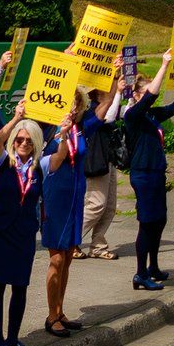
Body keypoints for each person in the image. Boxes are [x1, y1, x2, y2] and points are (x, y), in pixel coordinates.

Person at [0, 117, 44, 346]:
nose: (23, 143)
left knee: (20, 287)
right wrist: (17, 118)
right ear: (13, 141)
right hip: (0, 233)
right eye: (19, 139)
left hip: (24, 233)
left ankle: (13, 338)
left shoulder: (36, 168)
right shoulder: (4, 161)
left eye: (28, 140)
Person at [116, 69, 174, 290]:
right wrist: (164, 65)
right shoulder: (132, 115)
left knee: (159, 220)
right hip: (143, 174)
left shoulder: (152, 115)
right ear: (136, 95)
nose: (148, 96)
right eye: (144, 92)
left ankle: (153, 266)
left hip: (156, 173)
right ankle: (140, 273)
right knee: (146, 223)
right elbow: (151, 96)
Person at [38, 110, 90, 339]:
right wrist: (62, 133)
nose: (72, 108)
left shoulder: (80, 128)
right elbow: (56, 161)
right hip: (54, 198)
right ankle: (51, 316)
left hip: (74, 198)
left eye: (76, 104)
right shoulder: (46, 127)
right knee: (56, 258)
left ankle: (60, 311)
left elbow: (105, 109)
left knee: (67, 256)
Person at [77, 83, 120, 258]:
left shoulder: (106, 104)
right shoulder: (91, 110)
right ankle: (71, 241)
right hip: (95, 161)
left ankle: (98, 245)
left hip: (107, 159)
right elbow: (108, 117)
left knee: (109, 207)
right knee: (96, 205)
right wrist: (116, 92)